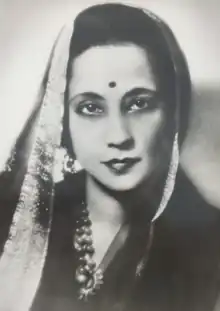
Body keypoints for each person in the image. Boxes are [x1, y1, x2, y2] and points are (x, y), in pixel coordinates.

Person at [0, 3, 220, 311]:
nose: (118, 136)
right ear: (62, 121)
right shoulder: (11, 221)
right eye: (91, 108)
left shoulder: (210, 244)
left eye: (139, 104)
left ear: (173, 111)